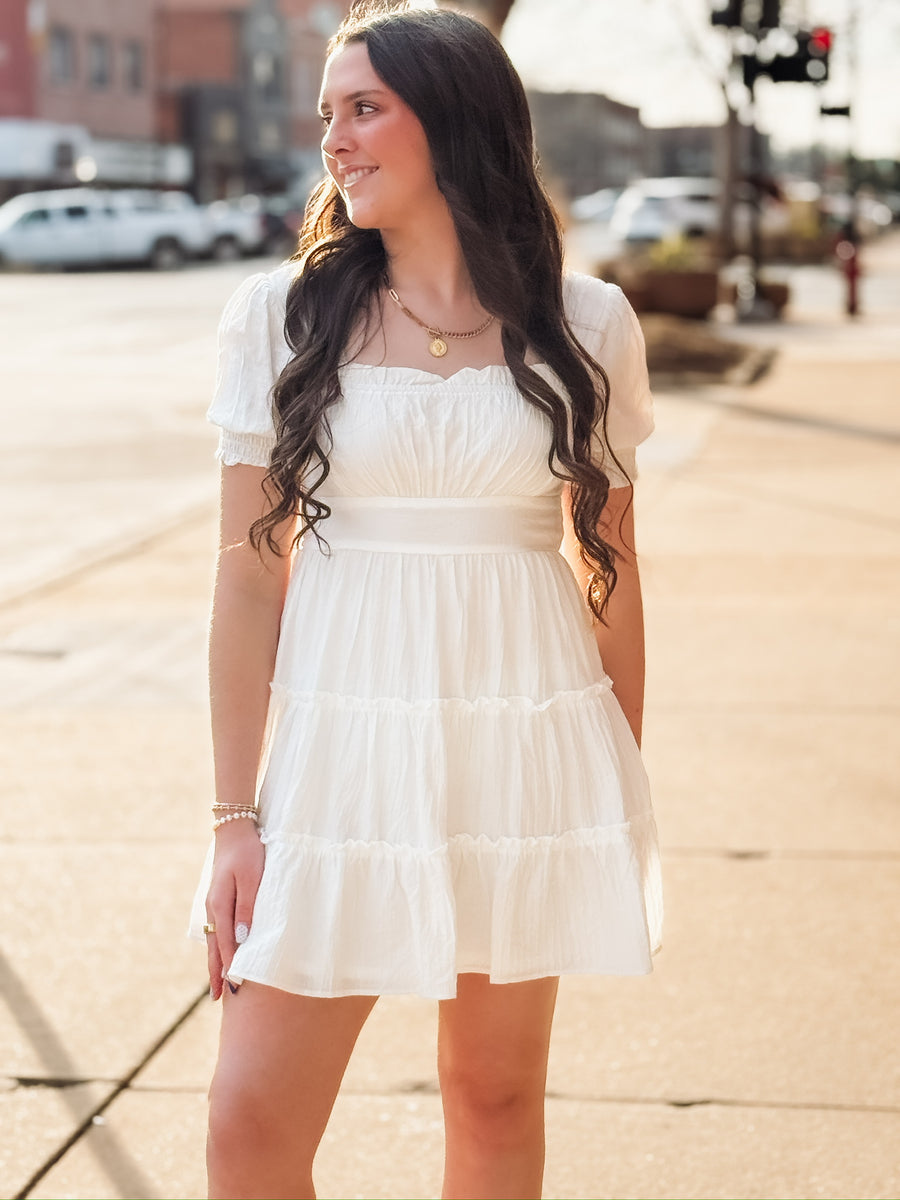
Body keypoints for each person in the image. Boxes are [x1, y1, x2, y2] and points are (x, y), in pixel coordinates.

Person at [189, 3, 662, 1197]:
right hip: (340, 761)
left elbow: (612, 562)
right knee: (249, 1125)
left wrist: (616, 773)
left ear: (453, 121)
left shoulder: (587, 323)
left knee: (492, 1097)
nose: (334, 141)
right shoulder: (283, 318)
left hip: (526, 750)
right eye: (328, 115)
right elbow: (247, 572)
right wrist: (233, 818)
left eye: (365, 108)